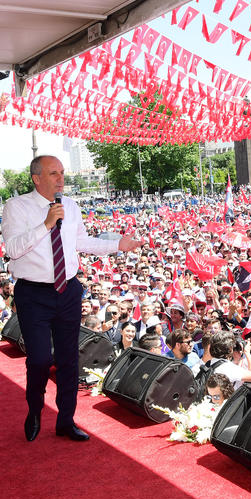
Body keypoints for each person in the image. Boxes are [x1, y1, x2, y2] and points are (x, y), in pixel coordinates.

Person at [2, 155, 143, 442]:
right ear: (36, 178)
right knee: (40, 359)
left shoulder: (71, 206)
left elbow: (82, 242)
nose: (61, 178)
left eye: (62, 172)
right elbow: (13, 249)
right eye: (53, 173)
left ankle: (66, 420)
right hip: (34, 294)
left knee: (69, 359)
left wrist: (118, 244)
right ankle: (35, 410)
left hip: (67, 290)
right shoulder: (17, 206)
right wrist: (46, 224)